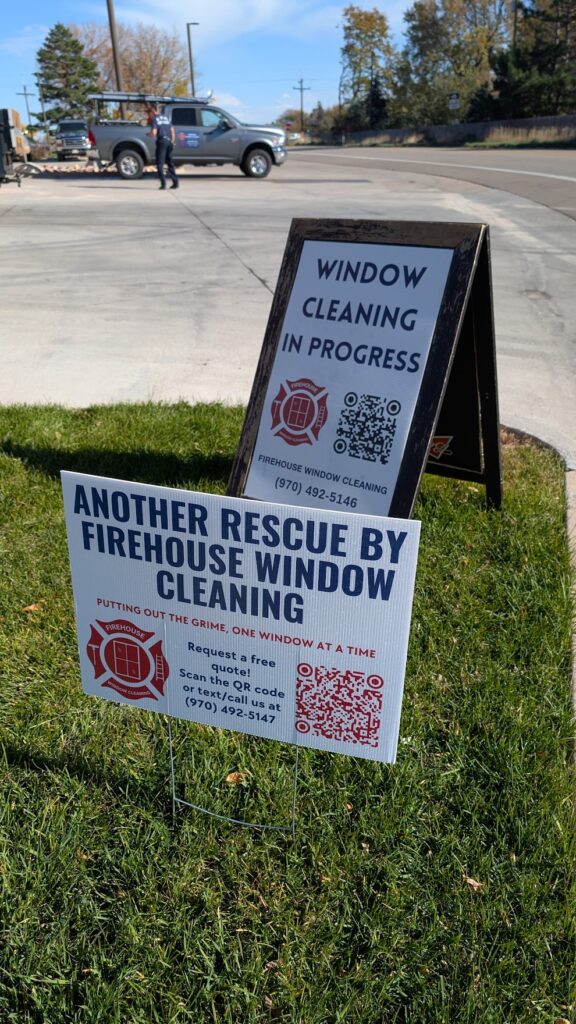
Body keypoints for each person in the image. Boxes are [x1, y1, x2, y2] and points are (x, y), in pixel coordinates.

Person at [149, 105, 178, 190]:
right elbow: (172, 131)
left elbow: (154, 133)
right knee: (170, 163)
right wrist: (172, 142)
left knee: (160, 164)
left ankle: (163, 184)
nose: (149, 115)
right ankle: (175, 183)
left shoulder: (155, 119)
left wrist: (149, 134)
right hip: (169, 141)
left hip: (161, 142)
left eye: (149, 113)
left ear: (153, 112)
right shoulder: (166, 118)